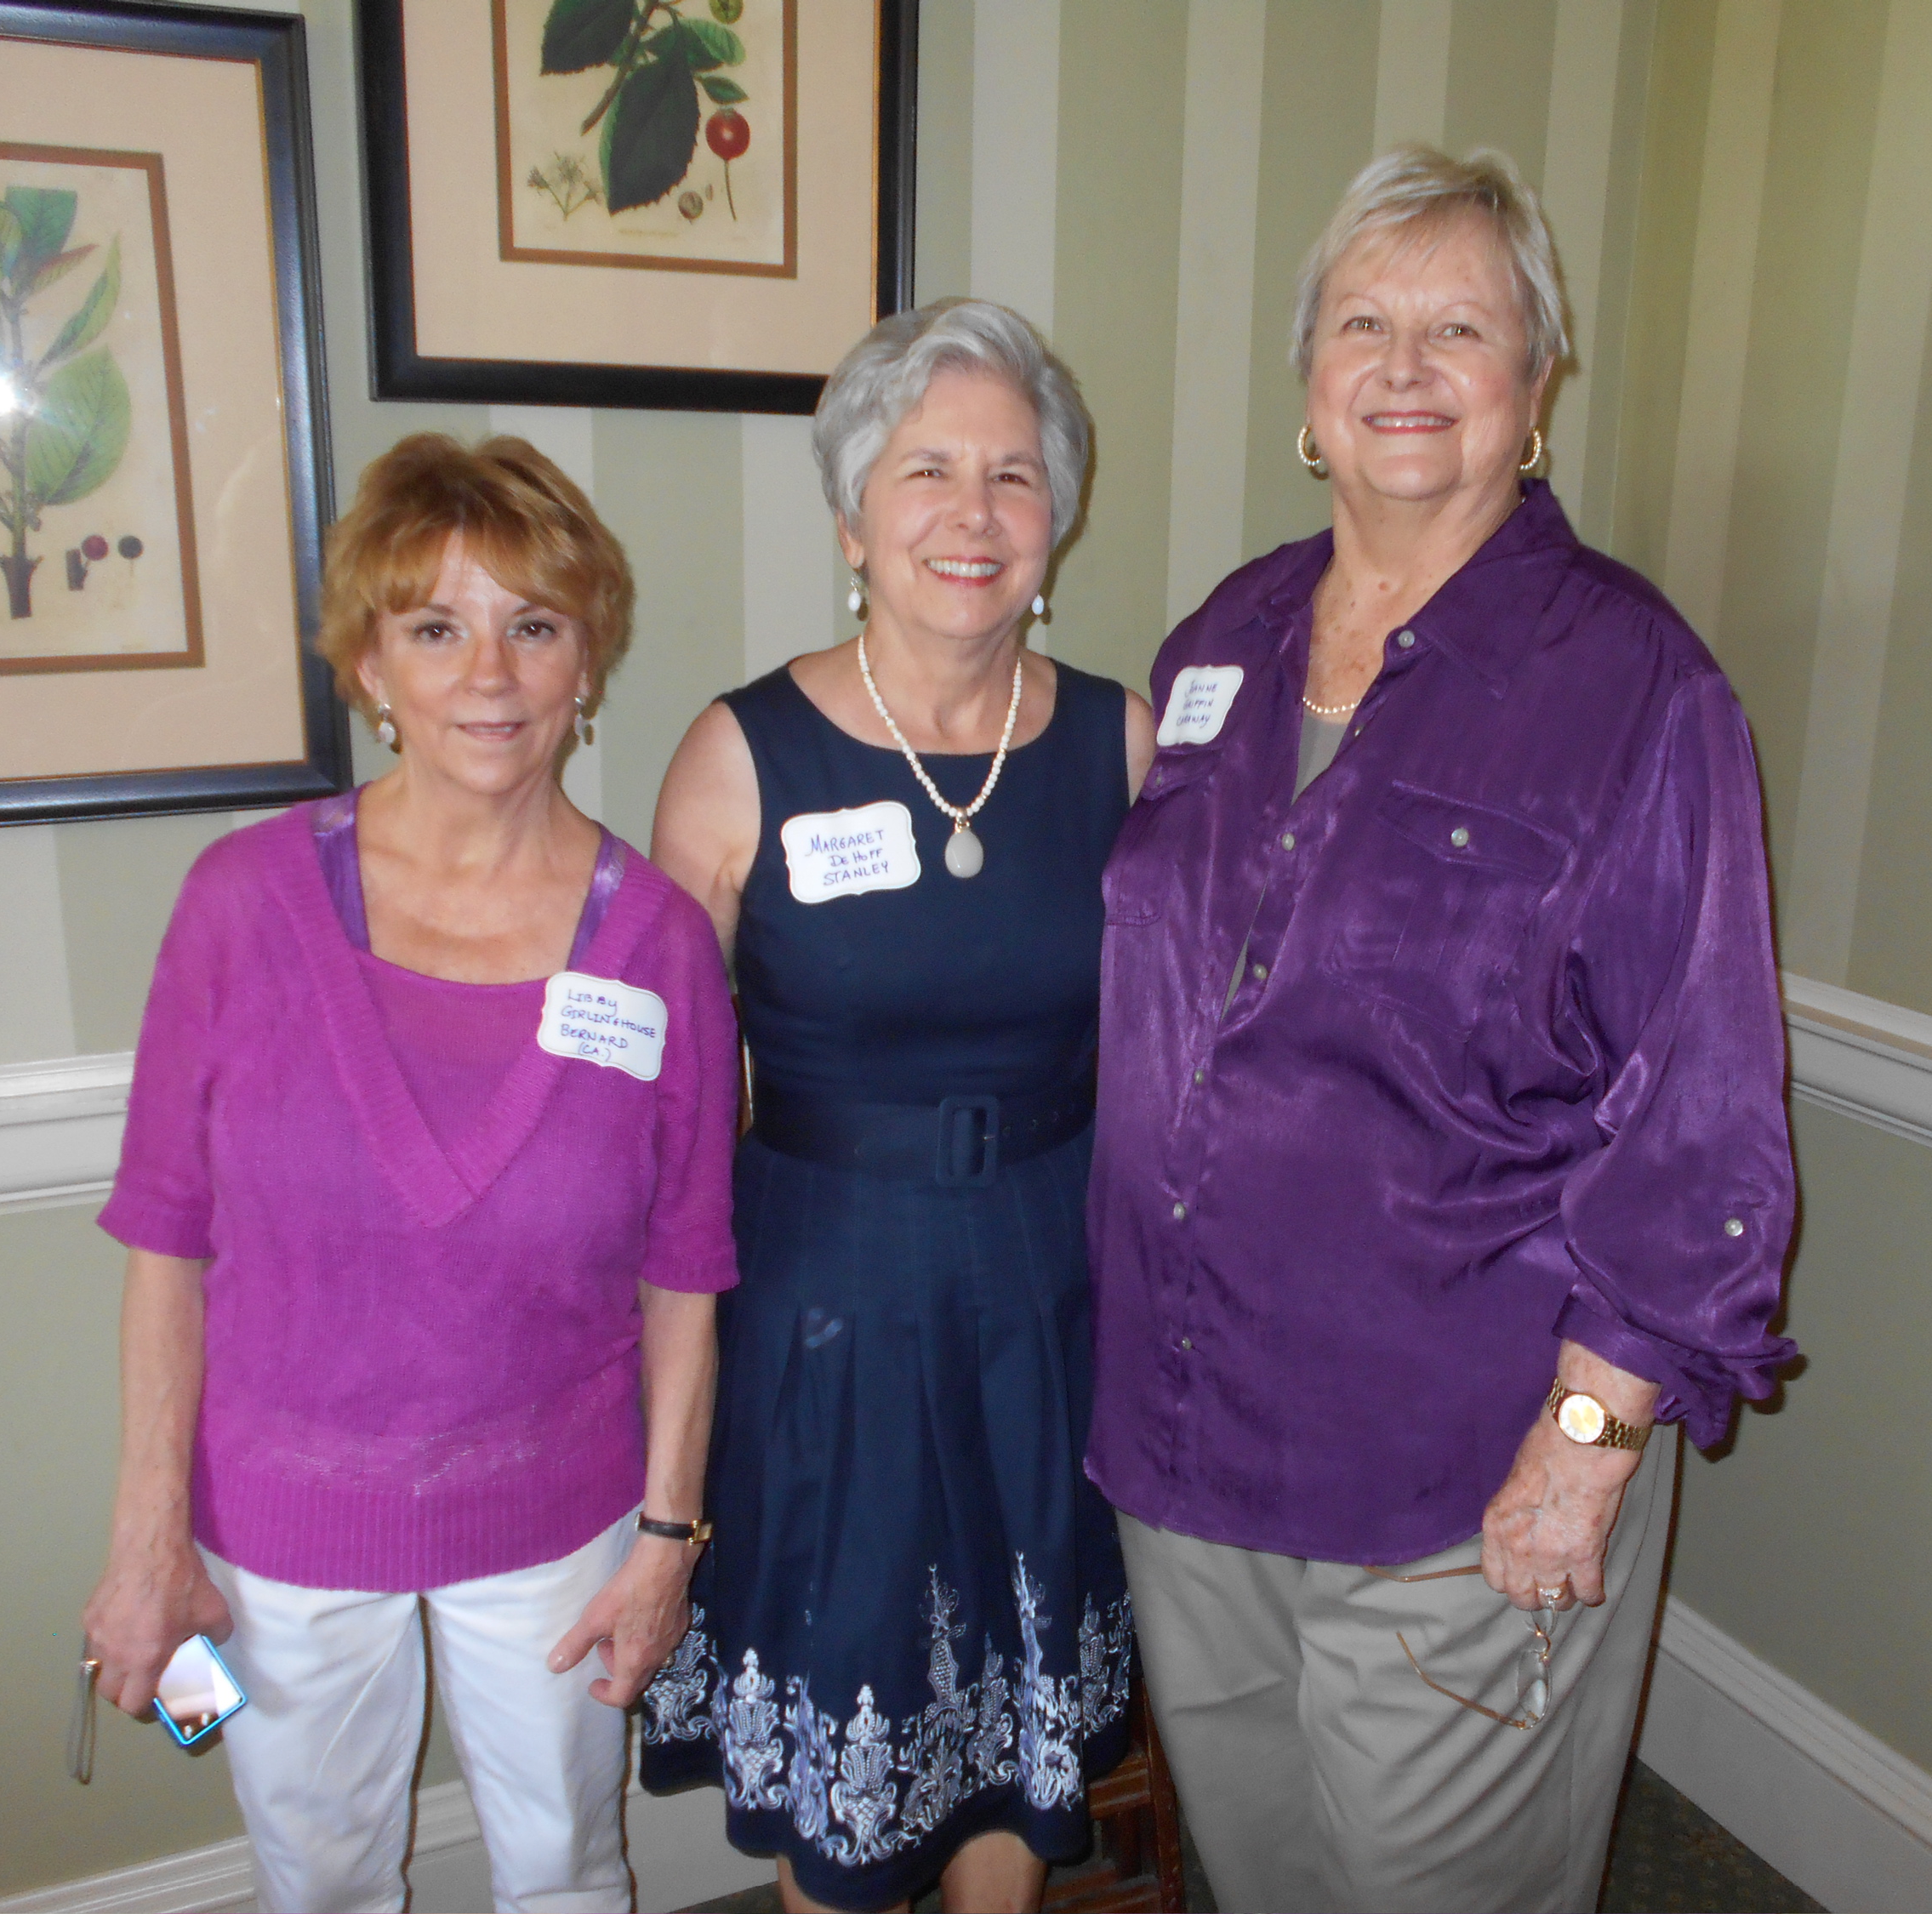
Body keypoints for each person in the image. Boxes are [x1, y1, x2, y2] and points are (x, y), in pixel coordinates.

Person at [1088, 146, 1800, 1913]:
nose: (1404, 366)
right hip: (1190, 1438)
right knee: (1261, 1875)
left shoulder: (1638, 689)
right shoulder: (1224, 642)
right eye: (1364, 325)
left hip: (1458, 1467)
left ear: (1534, 391)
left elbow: (1703, 1117)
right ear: (1312, 393)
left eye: (1460, 328)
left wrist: (1583, 1457)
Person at [83, 435, 739, 1913]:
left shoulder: (657, 944)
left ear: (588, 662)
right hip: (279, 1529)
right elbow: (165, 1242)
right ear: (370, 666)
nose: (488, 674)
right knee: (315, 1876)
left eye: (534, 624)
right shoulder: (239, 906)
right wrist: (145, 1539)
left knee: (567, 1867)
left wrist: (665, 1541)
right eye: (435, 627)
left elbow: (688, 1265)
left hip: (559, 1515)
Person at [639, 299, 1157, 1914]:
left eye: (1014, 474)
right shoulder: (740, 755)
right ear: (854, 513)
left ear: (1057, 518)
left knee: (1012, 1724)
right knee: (854, 1748)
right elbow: (658, 1119)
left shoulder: (1120, 741)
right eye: (927, 468)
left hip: (1049, 1299)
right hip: (824, 1304)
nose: (974, 512)